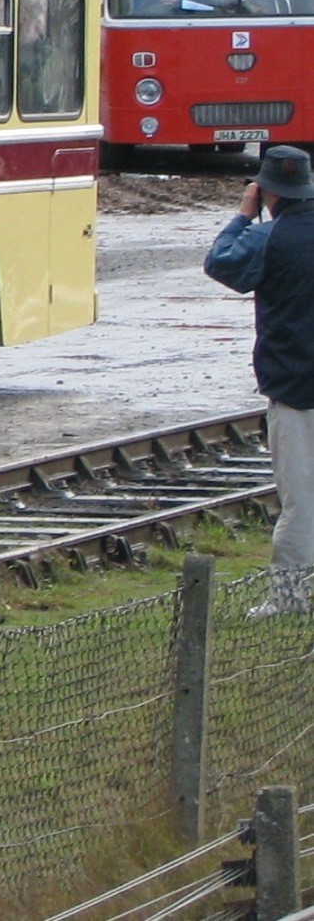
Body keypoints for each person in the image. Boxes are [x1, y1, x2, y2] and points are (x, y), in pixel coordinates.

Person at [204, 144, 314, 615]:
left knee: (300, 502)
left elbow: (221, 262)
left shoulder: (269, 238)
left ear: (267, 191)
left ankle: (288, 598)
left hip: (294, 386)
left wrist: (242, 215)